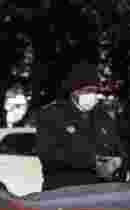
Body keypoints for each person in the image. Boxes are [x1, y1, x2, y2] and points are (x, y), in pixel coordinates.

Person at [35, 61, 123, 191]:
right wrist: (92, 162)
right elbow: (48, 155)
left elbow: (117, 148)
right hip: (62, 191)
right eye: (87, 90)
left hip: (98, 193)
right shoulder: (52, 115)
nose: (92, 95)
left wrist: (116, 162)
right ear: (74, 92)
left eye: (94, 90)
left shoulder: (103, 117)